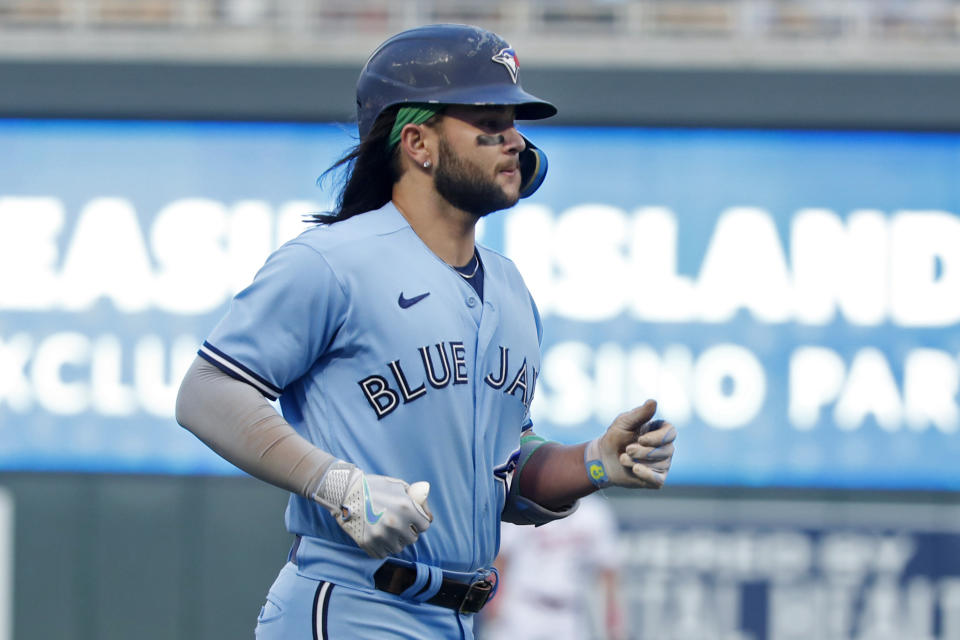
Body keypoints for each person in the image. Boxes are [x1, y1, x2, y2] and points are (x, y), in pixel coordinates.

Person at [175, 23, 676, 640]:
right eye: (489, 120)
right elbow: (207, 393)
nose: (514, 139)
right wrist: (337, 485)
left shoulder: (512, 290)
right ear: (418, 142)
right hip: (353, 603)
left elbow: (502, 466)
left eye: (515, 121)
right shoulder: (332, 261)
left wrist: (594, 462)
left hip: (457, 619)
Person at [481, 494, 626, 640]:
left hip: (569, 614)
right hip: (522, 607)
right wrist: (493, 601)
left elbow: (608, 570)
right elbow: (502, 557)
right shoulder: (529, 500)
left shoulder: (595, 512)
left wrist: (613, 622)